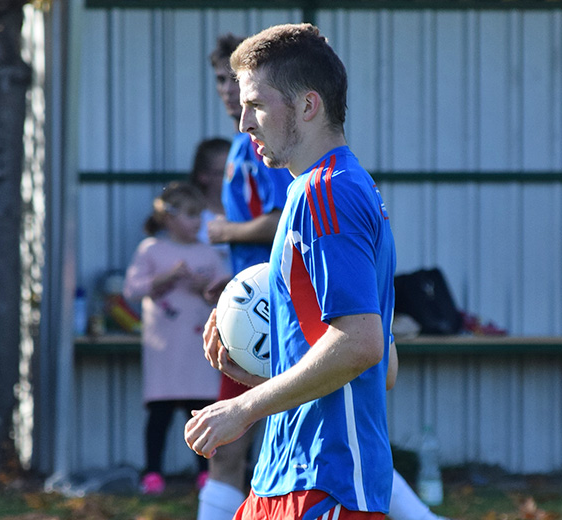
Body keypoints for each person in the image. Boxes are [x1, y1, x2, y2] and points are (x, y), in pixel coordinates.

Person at [184, 23, 397, 519]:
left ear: (308, 105)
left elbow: (361, 345)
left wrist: (243, 408)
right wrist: (261, 367)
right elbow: (384, 363)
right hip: (286, 476)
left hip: (322, 482)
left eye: (256, 105)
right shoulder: (346, 186)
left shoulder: (324, 193)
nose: (243, 123)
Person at [196, 34, 294, 520]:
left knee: (229, 443)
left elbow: (285, 218)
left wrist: (226, 231)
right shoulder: (239, 145)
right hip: (251, 308)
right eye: (220, 80)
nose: (227, 91)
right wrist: (231, 282)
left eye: (235, 82)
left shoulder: (262, 147)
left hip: (269, 314)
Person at [123, 182, 230, 494]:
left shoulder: (208, 254)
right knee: (160, 413)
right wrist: (167, 277)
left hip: (199, 349)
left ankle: (205, 473)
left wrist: (205, 288)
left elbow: (225, 293)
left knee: (201, 411)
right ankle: (153, 473)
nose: (197, 222)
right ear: (168, 218)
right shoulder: (151, 250)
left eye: (199, 215)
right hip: (164, 349)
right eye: (190, 215)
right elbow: (132, 290)